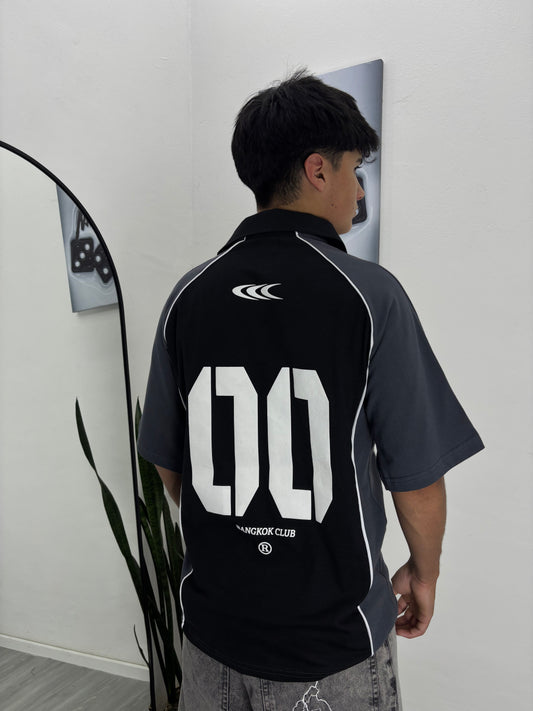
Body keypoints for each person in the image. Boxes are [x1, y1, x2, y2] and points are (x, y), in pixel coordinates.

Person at [137, 70, 484, 711]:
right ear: (319, 170)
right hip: (332, 648)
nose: (360, 191)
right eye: (356, 170)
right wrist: (424, 572)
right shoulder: (370, 295)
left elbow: (167, 461)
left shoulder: (187, 295)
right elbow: (415, 480)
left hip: (211, 637)